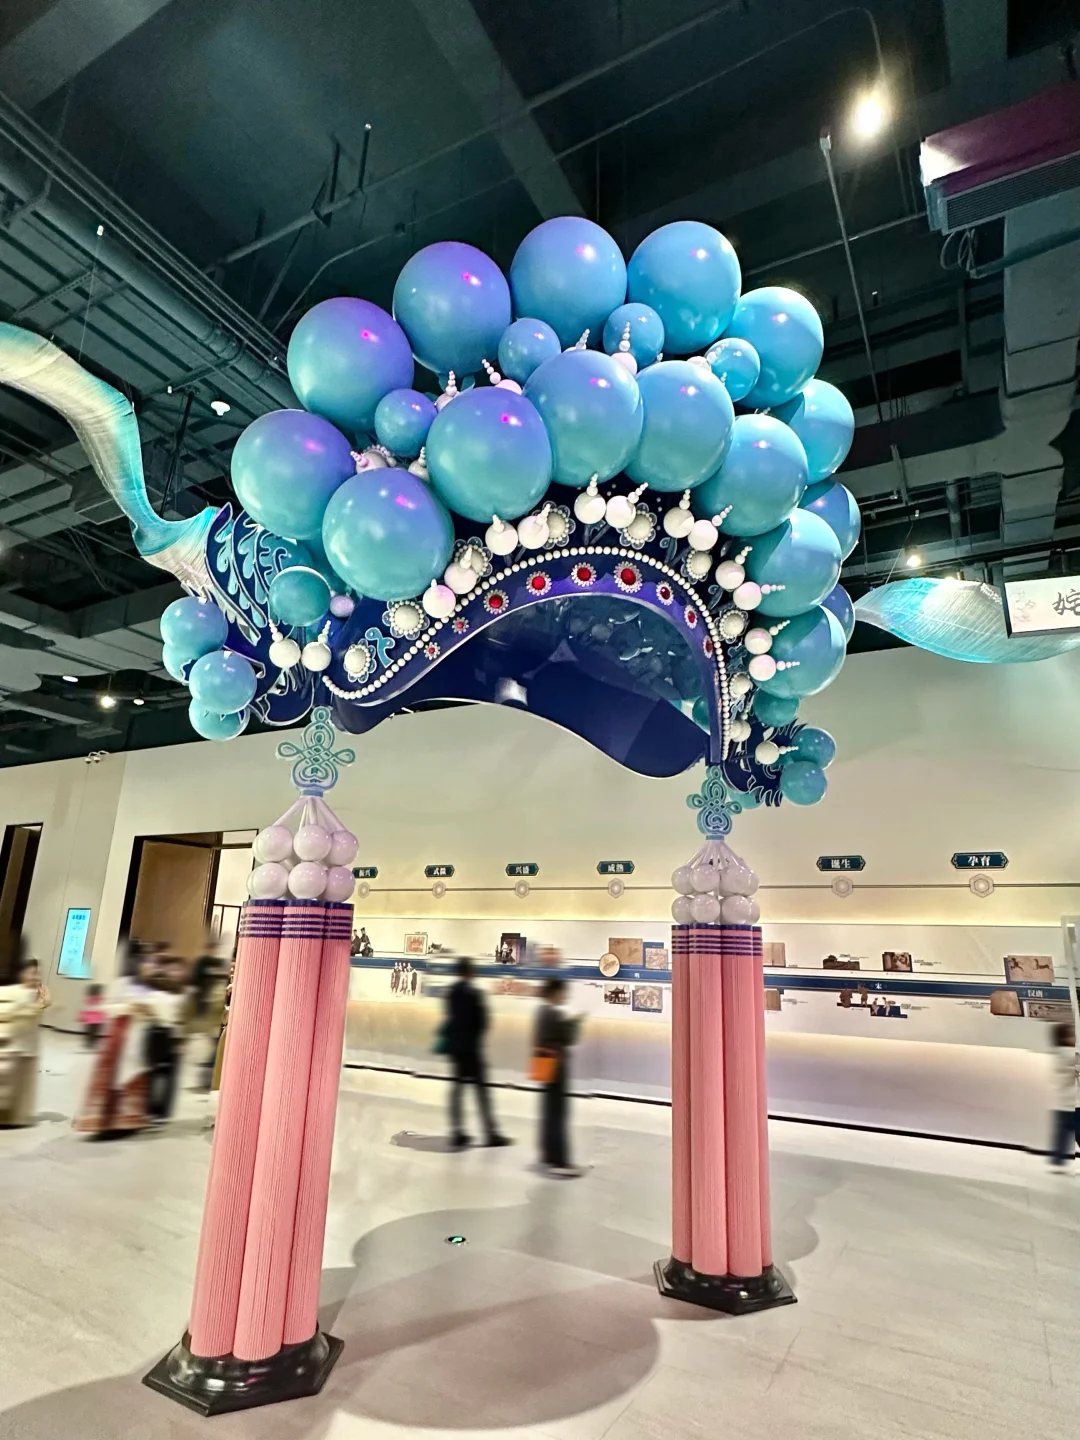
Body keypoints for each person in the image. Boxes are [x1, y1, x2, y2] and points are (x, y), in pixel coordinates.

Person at [444, 957, 510, 1149]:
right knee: (482, 1092)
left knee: (457, 1091)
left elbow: (451, 1018)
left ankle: (457, 1132)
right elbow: (483, 1021)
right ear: (470, 971)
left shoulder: (451, 993)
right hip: (472, 1050)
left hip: (457, 1050)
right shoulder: (475, 994)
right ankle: (491, 1133)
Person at [533, 977, 581, 1177]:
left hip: (543, 1064)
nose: (565, 996)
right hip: (556, 1067)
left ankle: (548, 1155)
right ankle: (560, 1160)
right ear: (555, 992)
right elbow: (568, 1039)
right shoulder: (553, 1013)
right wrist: (574, 1024)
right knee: (558, 1114)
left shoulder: (541, 1011)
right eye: (563, 992)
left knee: (549, 1111)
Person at [0, 959, 52, 1126]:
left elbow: (33, 1017)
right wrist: (43, 1004)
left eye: (37, 974)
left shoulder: (35, 994)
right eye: (31, 973)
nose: (35, 977)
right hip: (12, 1044)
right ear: (21, 974)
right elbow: (20, 1014)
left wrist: (42, 1003)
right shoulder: (13, 992)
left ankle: (14, 1118)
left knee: (22, 1085)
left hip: (28, 1043)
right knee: (7, 1085)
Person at [1049, 1021, 1079, 1169]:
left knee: (1062, 1134)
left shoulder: (1057, 1053)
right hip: (1073, 1102)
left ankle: (1057, 1161)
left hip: (1061, 1102)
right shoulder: (1070, 1054)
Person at [78, 983, 106, 1049]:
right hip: (97, 1018)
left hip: (90, 1018)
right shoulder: (100, 998)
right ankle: (93, 1042)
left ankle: (88, 1043)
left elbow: (85, 1008)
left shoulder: (88, 999)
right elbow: (101, 1008)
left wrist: (82, 1016)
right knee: (95, 1031)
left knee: (89, 1031)